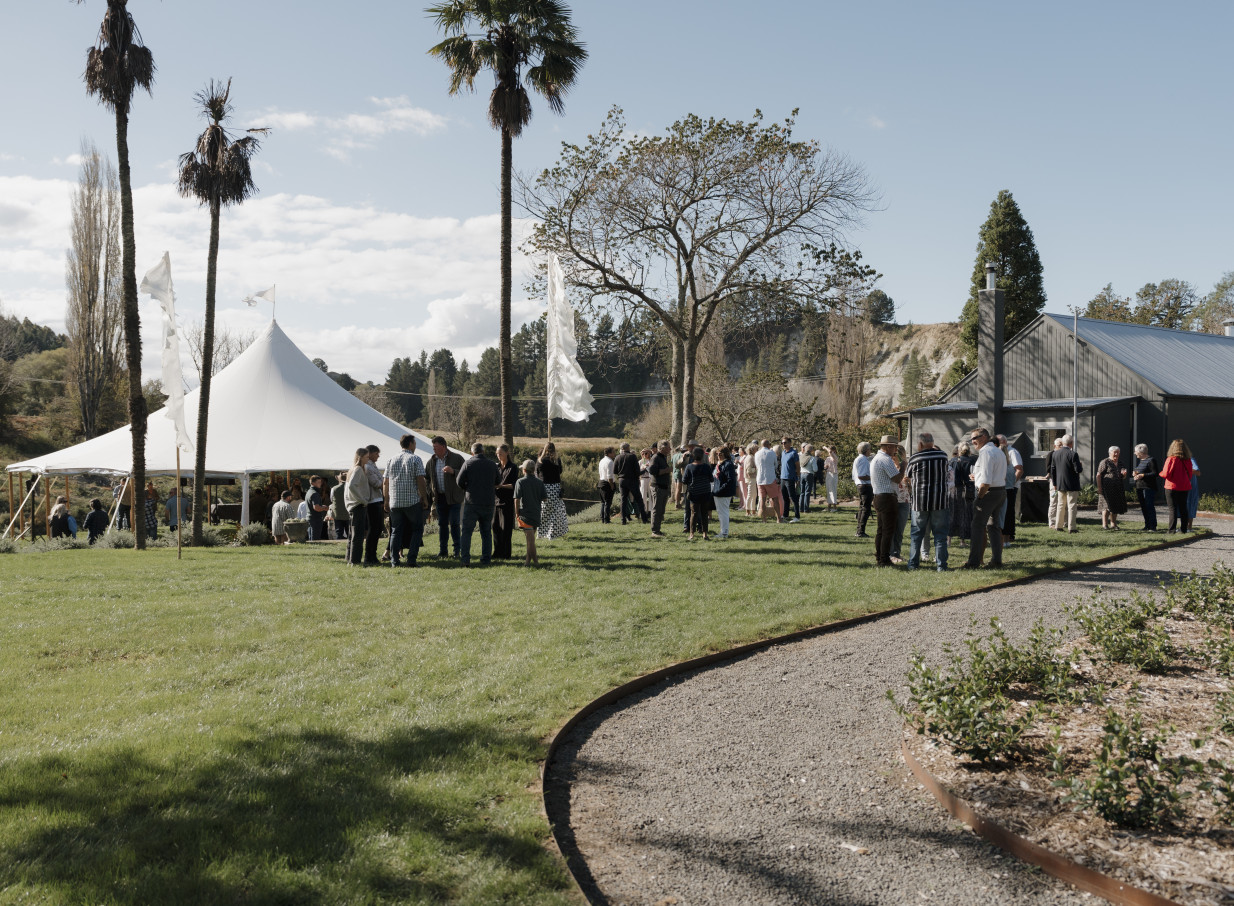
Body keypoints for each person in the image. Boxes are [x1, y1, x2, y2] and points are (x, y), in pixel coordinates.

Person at [960, 427, 1007, 569]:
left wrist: (979, 498)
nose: (972, 441)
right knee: (993, 526)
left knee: (977, 527)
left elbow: (986, 482)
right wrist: (978, 477)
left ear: (983, 437)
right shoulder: (998, 451)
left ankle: (973, 562)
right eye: (971, 439)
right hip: (1000, 491)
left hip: (988, 493)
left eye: (974, 438)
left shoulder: (986, 452)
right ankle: (996, 560)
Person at [905, 433, 950, 571]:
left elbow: (907, 477)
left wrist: (911, 489)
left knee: (917, 534)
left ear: (920, 444)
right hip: (940, 501)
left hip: (920, 502)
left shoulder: (915, 458)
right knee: (940, 535)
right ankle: (941, 565)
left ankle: (913, 564)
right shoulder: (943, 456)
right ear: (932, 442)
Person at [383, 434, 428, 567]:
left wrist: (386, 500)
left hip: (395, 502)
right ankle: (411, 559)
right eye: (415, 443)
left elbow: (385, 482)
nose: (415, 446)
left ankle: (394, 560)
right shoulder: (415, 459)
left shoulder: (391, 459)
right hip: (411, 501)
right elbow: (420, 479)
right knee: (417, 529)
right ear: (410, 444)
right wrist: (424, 497)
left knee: (396, 531)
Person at [456, 442, 499, 566]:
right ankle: (486, 559)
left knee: (467, 532)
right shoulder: (492, 464)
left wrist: (467, 487)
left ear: (472, 452)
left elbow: (459, 481)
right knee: (486, 532)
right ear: (483, 451)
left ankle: (465, 559)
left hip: (472, 502)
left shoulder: (468, 463)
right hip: (488, 502)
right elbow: (498, 481)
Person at [426, 435, 465, 558]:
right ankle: (443, 551)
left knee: (454, 523)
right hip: (439, 498)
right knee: (442, 525)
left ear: (444, 446)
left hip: (454, 498)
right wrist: (431, 492)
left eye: (436, 447)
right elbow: (427, 479)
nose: (434, 450)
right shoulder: (432, 461)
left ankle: (457, 551)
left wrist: (454, 472)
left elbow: (466, 475)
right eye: (433, 447)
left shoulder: (457, 458)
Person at [868, 436, 902, 567]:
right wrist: (903, 466)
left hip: (878, 496)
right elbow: (897, 478)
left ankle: (880, 556)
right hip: (887, 497)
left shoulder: (876, 458)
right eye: (894, 447)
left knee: (881, 530)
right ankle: (884, 559)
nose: (895, 450)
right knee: (888, 530)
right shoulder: (885, 459)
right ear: (888, 447)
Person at [514, 459, 547, 566]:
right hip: (536, 513)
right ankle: (527, 562)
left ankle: (536, 562)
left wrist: (516, 513)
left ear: (524, 470)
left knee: (530, 541)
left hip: (525, 514)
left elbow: (517, 499)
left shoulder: (520, 482)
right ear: (533, 470)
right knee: (530, 539)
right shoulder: (539, 482)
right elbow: (544, 499)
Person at [343, 448, 373, 565]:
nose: (368, 458)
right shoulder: (358, 469)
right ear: (360, 457)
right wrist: (362, 500)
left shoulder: (353, 469)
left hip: (353, 505)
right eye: (366, 457)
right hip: (357, 505)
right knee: (358, 535)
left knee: (352, 534)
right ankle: (355, 561)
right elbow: (351, 486)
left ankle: (349, 558)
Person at [1049, 434, 1083, 533]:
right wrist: (1080, 465)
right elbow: (1078, 470)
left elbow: (1053, 470)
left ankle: (1058, 526)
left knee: (1060, 505)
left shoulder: (1055, 454)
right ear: (1071, 443)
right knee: (1071, 505)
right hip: (1072, 484)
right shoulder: (1073, 454)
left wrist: (1055, 483)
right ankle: (1072, 527)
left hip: (1060, 483)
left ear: (1063, 443)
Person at [536, 442, 569, 539]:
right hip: (555, 487)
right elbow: (560, 471)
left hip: (544, 487)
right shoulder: (556, 460)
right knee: (555, 510)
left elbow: (537, 473)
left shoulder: (540, 460)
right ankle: (553, 533)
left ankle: (541, 533)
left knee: (544, 510)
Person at [1161, 439, 1194, 533]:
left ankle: (1171, 529)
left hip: (1171, 486)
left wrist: (1161, 473)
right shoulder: (1188, 460)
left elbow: (1166, 473)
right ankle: (1184, 529)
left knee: (1173, 509)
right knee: (1183, 508)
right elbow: (1190, 474)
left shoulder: (1171, 459)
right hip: (1184, 486)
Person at [682, 446, 713, 540]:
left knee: (694, 513)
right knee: (704, 513)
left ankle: (691, 534)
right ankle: (705, 533)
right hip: (705, 492)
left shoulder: (689, 467)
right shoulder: (707, 467)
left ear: (693, 456)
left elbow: (684, 480)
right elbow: (711, 479)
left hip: (694, 492)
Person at [997, 435, 1024, 545]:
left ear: (1002, 442)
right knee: (1007, 513)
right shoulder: (1003, 454)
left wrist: (1011, 483)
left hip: (1009, 487)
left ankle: (1008, 536)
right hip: (1007, 486)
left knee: (1007, 512)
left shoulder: (1012, 452)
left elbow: (1019, 469)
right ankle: (1007, 537)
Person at [613, 442, 648, 525]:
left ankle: (623, 520)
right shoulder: (632, 456)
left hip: (622, 480)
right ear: (628, 448)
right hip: (632, 480)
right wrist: (644, 471)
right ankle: (644, 519)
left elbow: (614, 471)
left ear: (621, 448)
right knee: (639, 499)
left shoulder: (617, 457)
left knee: (623, 500)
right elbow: (637, 471)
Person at [493, 443, 518, 559]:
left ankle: (506, 554)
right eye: (497, 454)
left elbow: (514, 485)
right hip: (496, 502)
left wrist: (500, 486)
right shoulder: (496, 467)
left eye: (501, 454)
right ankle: (497, 552)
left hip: (507, 502)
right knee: (496, 527)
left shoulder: (513, 467)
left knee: (506, 529)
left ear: (507, 453)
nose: (499, 456)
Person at [1096, 446, 1129, 530]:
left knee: (1115, 506)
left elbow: (1123, 477)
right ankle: (1105, 524)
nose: (1116, 454)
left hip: (1118, 487)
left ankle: (1113, 524)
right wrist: (1099, 487)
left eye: (1118, 452)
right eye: (1115, 452)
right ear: (1110, 453)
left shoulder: (1121, 463)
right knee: (1106, 506)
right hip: (1106, 488)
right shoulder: (1105, 462)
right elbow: (1098, 475)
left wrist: (1124, 475)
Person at [950, 443, 976, 544]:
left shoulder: (953, 461)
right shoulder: (972, 460)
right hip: (969, 489)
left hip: (956, 490)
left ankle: (949, 539)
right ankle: (963, 540)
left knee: (953, 514)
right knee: (966, 515)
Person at [363, 445, 385, 565]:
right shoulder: (368, 467)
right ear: (370, 453)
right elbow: (377, 483)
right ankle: (369, 556)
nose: (378, 456)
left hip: (377, 499)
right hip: (372, 501)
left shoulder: (372, 466)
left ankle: (373, 555)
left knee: (377, 529)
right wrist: (385, 483)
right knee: (373, 529)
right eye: (376, 453)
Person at [889, 444, 911, 563]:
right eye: (894, 454)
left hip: (905, 500)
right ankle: (891, 554)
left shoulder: (906, 466)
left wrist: (909, 483)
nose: (895, 456)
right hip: (893, 500)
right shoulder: (889, 465)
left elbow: (911, 485)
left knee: (900, 530)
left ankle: (897, 553)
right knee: (892, 528)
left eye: (898, 454)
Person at [1131, 444, 1159, 532]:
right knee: (1143, 507)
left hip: (1148, 488)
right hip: (1140, 487)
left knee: (1149, 506)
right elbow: (1141, 472)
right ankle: (1147, 525)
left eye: (1136, 451)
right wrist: (1135, 474)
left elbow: (1155, 473)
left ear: (1141, 452)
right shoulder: (1141, 461)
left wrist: (1142, 475)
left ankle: (1153, 526)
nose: (1135, 453)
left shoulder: (1151, 460)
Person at [711, 444, 738, 539]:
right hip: (717, 491)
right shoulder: (719, 463)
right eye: (717, 453)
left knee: (723, 512)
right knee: (721, 512)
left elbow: (730, 480)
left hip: (724, 492)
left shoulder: (728, 464)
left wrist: (720, 489)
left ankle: (724, 533)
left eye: (720, 453)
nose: (718, 455)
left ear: (726, 454)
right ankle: (723, 531)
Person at [649, 440, 672, 538]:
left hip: (663, 487)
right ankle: (655, 531)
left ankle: (658, 530)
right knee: (657, 509)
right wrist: (667, 470)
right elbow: (652, 470)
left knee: (661, 510)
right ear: (662, 448)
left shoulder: (663, 457)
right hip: (657, 487)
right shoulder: (656, 457)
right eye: (668, 447)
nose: (670, 449)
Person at [754, 439, 781, 523]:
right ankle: (779, 519)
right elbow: (776, 465)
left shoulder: (757, 454)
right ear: (768, 444)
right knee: (775, 499)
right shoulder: (772, 453)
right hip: (770, 478)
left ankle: (764, 519)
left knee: (762, 499)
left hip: (760, 479)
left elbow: (756, 465)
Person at [852, 442, 874, 537]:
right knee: (866, 509)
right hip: (865, 486)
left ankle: (859, 530)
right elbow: (862, 476)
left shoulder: (859, 459)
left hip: (861, 485)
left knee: (862, 508)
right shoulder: (863, 460)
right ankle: (860, 531)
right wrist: (873, 477)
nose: (870, 451)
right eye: (869, 449)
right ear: (866, 450)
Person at [779, 437, 801, 522]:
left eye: (785, 443)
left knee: (793, 497)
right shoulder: (783, 453)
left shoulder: (794, 453)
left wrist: (798, 477)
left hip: (790, 478)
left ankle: (797, 516)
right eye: (782, 443)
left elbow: (797, 466)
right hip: (783, 478)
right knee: (785, 498)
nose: (783, 444)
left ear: (790, 443)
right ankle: (785, 515)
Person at [1045, 437, 1064, 529]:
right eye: (1059, 445)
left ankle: (1063, 522)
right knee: (1054, 502)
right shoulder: (1051, 454)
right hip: (1054, 481)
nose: (1061, 447)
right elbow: (1048, 468)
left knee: (1063, 502)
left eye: (1062, 445)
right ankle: (1052, 522)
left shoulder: (1064, 454)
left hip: (1063, 481)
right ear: (1054, 446)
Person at [305, 475, 329, 541]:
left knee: (311, 538)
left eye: (320, 482)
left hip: (310, 518)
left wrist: (322, 506)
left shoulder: (309, 491)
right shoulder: (315, 493)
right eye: (318, 482)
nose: (320, 483)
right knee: (315, 540)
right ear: (313, 483)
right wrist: (324, 508)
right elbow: (316, 507)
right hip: (315, 519)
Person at [597, 447, 616, 524]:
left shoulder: (602, 460)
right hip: (607, 483)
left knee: (603, 502)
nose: (614, 454)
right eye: (613, 452)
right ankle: (607, 520)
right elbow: (610, 476)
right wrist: (612, 486)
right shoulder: (610, 462)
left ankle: (603, 518)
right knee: (608, 503)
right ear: (609, 453)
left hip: (601, 482)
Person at [329, 471, 350, 540]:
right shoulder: (350, 487)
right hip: (348, 513)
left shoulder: (334, 488)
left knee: (339, 532)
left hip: (337, 514)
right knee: (349, 533)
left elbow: (331, 499)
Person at [799, 444, 817, 514]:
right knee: (807, 492)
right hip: (809, 474)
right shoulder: (811, 458)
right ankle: (806, 509)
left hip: (802, 474)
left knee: (802, 492)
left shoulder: (801, 456)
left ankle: (801, 508)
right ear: (811, 450)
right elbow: (815, 469)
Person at [742, 442, 759, 516]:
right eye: (756, 449)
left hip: (752, 478)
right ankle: (747, 511)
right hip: (751, 478)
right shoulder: (750, 458)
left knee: (754, 495)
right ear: (752, 449)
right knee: (750, 495)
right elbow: (749, 470)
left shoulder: (751, 457)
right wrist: (756, 468)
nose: (757, 450)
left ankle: (753, 510)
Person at [823, 446, 839, 512]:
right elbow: (825, 466)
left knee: (833, 490)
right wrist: (826, 467)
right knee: (829, 490)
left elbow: (830, 452)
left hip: (834, 474)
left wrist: (825, 447)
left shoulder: (835, 457)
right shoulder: (827, 458)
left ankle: (834, 507)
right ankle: (829, 506)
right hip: (828, 474)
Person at [639, 448, 653, 513]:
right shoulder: (640, 461)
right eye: (643, 453)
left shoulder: (651, 460)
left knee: (651, 494)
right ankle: (644, 510)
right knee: (643, 494)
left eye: (646, 453)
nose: (645, 455)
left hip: (650, 478)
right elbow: (638, 471)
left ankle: (650, 509)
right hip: (643, 478)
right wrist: (643, 468)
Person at [1188, 455, 1202, 522]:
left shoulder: (1190, 459)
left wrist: (1184, 468)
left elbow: (1197, 472)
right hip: (1179, 487)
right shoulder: (1175, 460)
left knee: (1190, 506)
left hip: (1190, 488)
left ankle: (1189, 527)